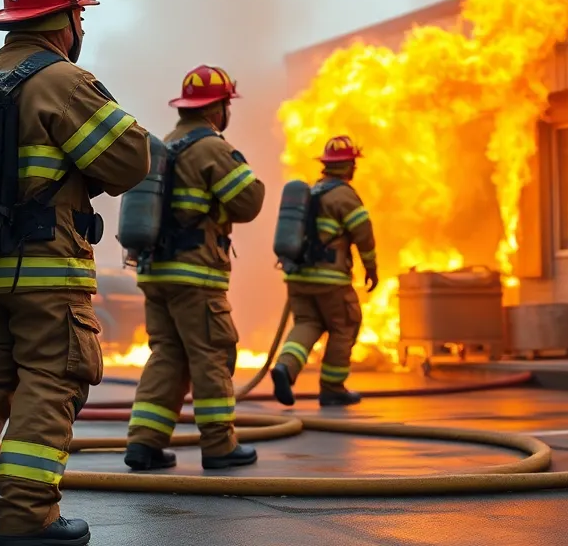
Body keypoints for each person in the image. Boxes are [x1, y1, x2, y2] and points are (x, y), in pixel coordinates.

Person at [0, 0, 150, 546]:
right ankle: (28, 518)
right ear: (67, 18)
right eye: (80, 16)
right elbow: (128, 162)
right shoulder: (62, 82)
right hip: (44, 270)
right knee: (52, 378)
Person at [122, 65, 266, 472]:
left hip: (155, 273)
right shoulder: (211, 149)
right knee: (211, 353)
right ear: (217, 108)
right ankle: (220, 445)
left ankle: (144, 443)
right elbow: (249, 201)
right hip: (195, 275)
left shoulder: (165, 143)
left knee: (168, 355)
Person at [270, 135, 378, 407]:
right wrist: (371, 268)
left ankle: (285, 366)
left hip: (297, 276)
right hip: (330, 279)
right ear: (350, 166)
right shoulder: (345, 196)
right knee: (345, 326)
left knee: (307, 324)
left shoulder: (313, 192)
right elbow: (364, 235)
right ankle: (332, 388)